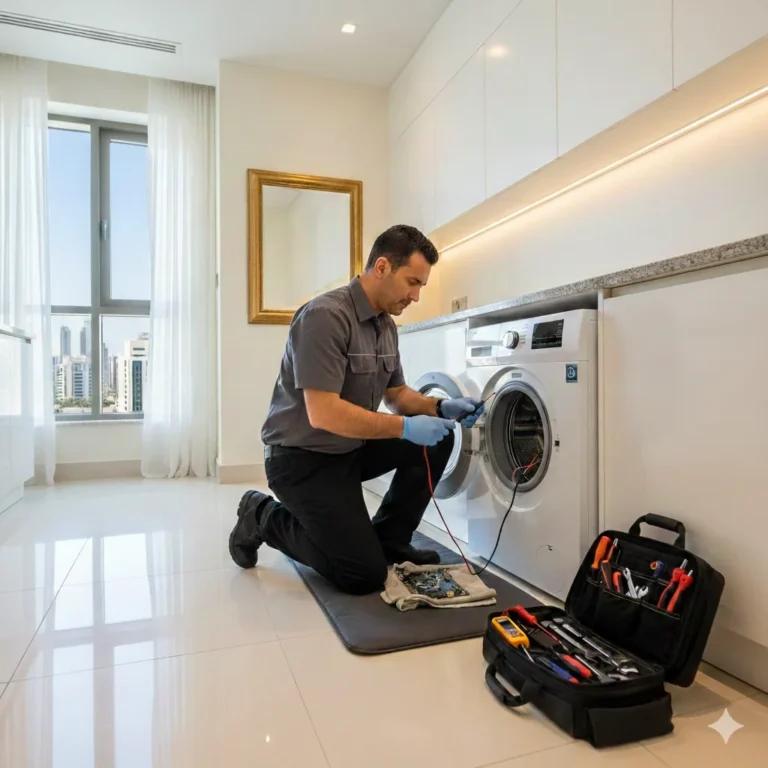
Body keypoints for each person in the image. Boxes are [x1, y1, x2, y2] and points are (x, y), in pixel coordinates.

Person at [228, 224, 483, 595]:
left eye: (421, 287)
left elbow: (396, 394)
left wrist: (441, 406)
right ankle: (261, 515)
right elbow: (324, 414)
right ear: (381, 267)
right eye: (412, 282)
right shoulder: (325, 317)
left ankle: (390, 542)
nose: (415, 296)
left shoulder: (386, 326)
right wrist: (404, 429)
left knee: (438, 439)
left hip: (350, 450)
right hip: (302, 461)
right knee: (361, 576)